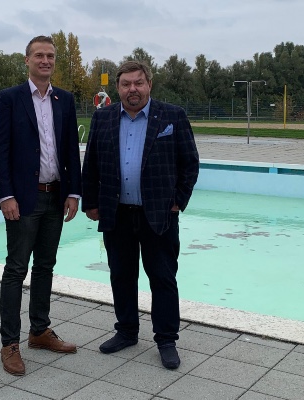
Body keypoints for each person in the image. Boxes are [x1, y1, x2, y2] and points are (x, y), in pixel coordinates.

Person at [81, 60, 199, 369]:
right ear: (118, 88)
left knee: (162, 277)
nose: (132, 89)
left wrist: (178, 201)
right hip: (116, 213)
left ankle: (166, 339)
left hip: (158, 213)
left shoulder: (172, 116)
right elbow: (91, 162)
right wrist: (90, 202)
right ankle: (127, 331)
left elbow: (190, 163)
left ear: (149, 85)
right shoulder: (103, 117)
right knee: (121, 275)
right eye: (126, 84)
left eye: (138, 83)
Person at [0, 35, 82, 376]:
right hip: (24, 197)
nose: (45, 61)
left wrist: (73, 192)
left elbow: (70, 149)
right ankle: (10, 342)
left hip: (55, 194)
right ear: (27, 60)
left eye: (50, 56)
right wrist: (6, 195)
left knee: (46, 265)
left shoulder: (64, 99)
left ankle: (40, 331)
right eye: (39, 55)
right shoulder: (11, 99)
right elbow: (1, 151)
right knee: (17, 268)